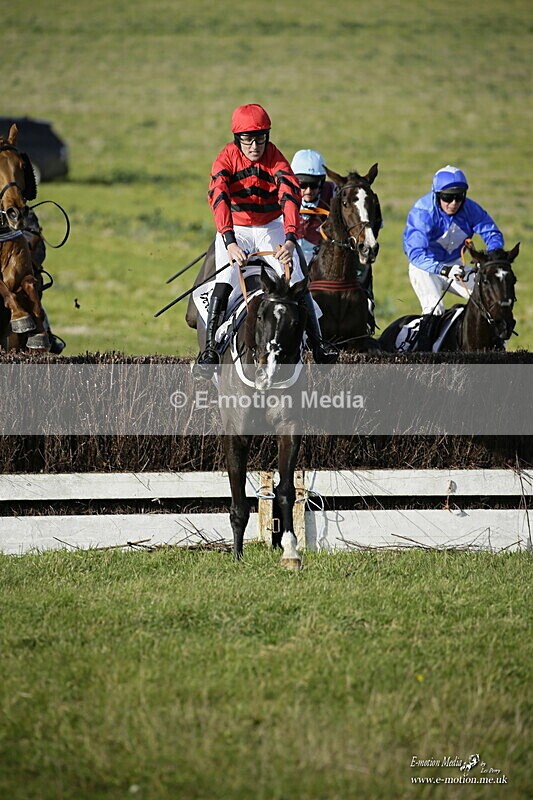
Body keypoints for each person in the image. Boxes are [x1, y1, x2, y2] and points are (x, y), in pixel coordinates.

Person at [193, 104, 337, 379]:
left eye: (261, 137)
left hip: (271, 226)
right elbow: (219, 198)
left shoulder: (276, 158)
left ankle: (319, 348)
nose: (255, 145)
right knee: (224, 285)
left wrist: (291, 240)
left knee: (295, 280)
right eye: (248, 139)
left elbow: (290, 196)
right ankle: (209, 352)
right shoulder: (225, 159)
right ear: (238, 139)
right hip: (235, 227)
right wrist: (230, 242)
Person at [403, 165, 505, 350]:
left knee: (492, 297)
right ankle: (423, 356)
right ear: (436, 195)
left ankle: (498, 348)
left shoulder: (471, 209)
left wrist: (492, 257)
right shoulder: (423, 213)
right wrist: (443, 270)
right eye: (447, 197)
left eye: (459, 197)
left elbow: (493, 235)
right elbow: (415, 253)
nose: (454, 203)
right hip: (425, 269)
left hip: (455, 267)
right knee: (435, 308)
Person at [24, 209, 65, 354]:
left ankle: (47, 333)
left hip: (24, 273)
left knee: (34, 294)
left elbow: (39, 251)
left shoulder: (24, 210)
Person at [290, 149, 334, 265]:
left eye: (314, 185)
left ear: (322, 183)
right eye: (303, 185)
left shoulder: (333, 193)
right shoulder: (282, 193)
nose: (309, 191)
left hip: (322, 260)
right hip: (289, 256)